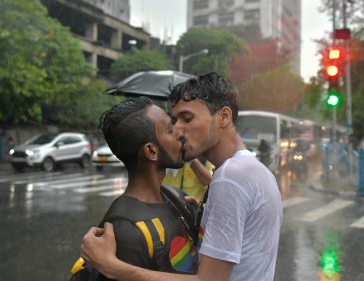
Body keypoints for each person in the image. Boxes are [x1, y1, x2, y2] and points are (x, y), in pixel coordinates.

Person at [80, 72, 283, 281]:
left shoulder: (231, 177)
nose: (179, 130)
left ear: (223, 116)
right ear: (150, 151)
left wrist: (112, 267)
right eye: (173, 123)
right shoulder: (256, 171)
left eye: (187, 118)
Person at [70, 97, 199, 280]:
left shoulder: (178, 198)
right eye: (170, 130)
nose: (180, 132)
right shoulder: (126, 231)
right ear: (151, 151)